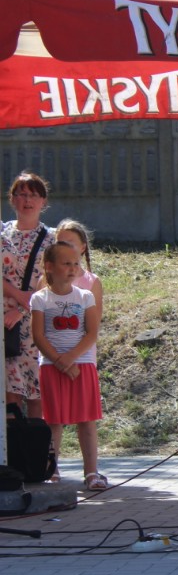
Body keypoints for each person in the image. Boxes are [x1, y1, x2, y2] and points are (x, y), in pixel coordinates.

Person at [30, 240, 105, 490]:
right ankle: (52, 470)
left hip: (81, 364)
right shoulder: (40, 299)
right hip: (52, 366)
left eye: (75, 263)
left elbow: (91, 333)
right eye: (66, 264)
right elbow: (39, 336)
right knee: (54, 421)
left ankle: (91, 473)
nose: (72, 268)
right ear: (49, 267)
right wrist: (59, 361)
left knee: (87, 420)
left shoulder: (85, 296)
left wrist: (71, 358)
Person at [3, 172, 56, 420]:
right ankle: (12, 443)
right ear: (12, 198)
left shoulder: (52, 238)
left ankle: (38, 442)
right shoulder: (2, 233)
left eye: (34, 195)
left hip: (36, 321)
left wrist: (23, 308)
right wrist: (16, 295)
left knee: (37, 392)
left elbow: (55, 279)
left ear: (43, 201)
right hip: (5, 320)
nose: (27, 200)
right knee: (9, 390)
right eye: (22, 194)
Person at [56, 219, 103, 320]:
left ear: (83, 248)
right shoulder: (46, 279)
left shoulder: (93, 283)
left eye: (70, 244)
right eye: (60, 244)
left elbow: (94, 323)